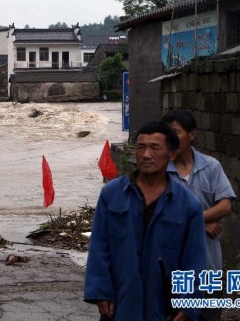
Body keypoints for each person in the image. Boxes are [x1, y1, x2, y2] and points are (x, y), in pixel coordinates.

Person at [84, 121, 206, 320]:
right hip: (120, 304)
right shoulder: (111, 194)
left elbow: (195, 261)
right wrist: (100, 292)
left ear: (172, 155)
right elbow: (99, 247)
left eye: (155, 148)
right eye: (141, 147)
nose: (146, 154)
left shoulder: (188, 205)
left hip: (163, 306)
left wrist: (188, 306)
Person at [161, 109, 236, 321]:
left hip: (209, 266)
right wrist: (200, 223)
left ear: (192, 134)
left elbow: (225, 206)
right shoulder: (160, 171)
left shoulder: (211, 166)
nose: (170, 138)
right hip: (173, 271)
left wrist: (194, 219)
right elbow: (159, 216)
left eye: (175, 132)